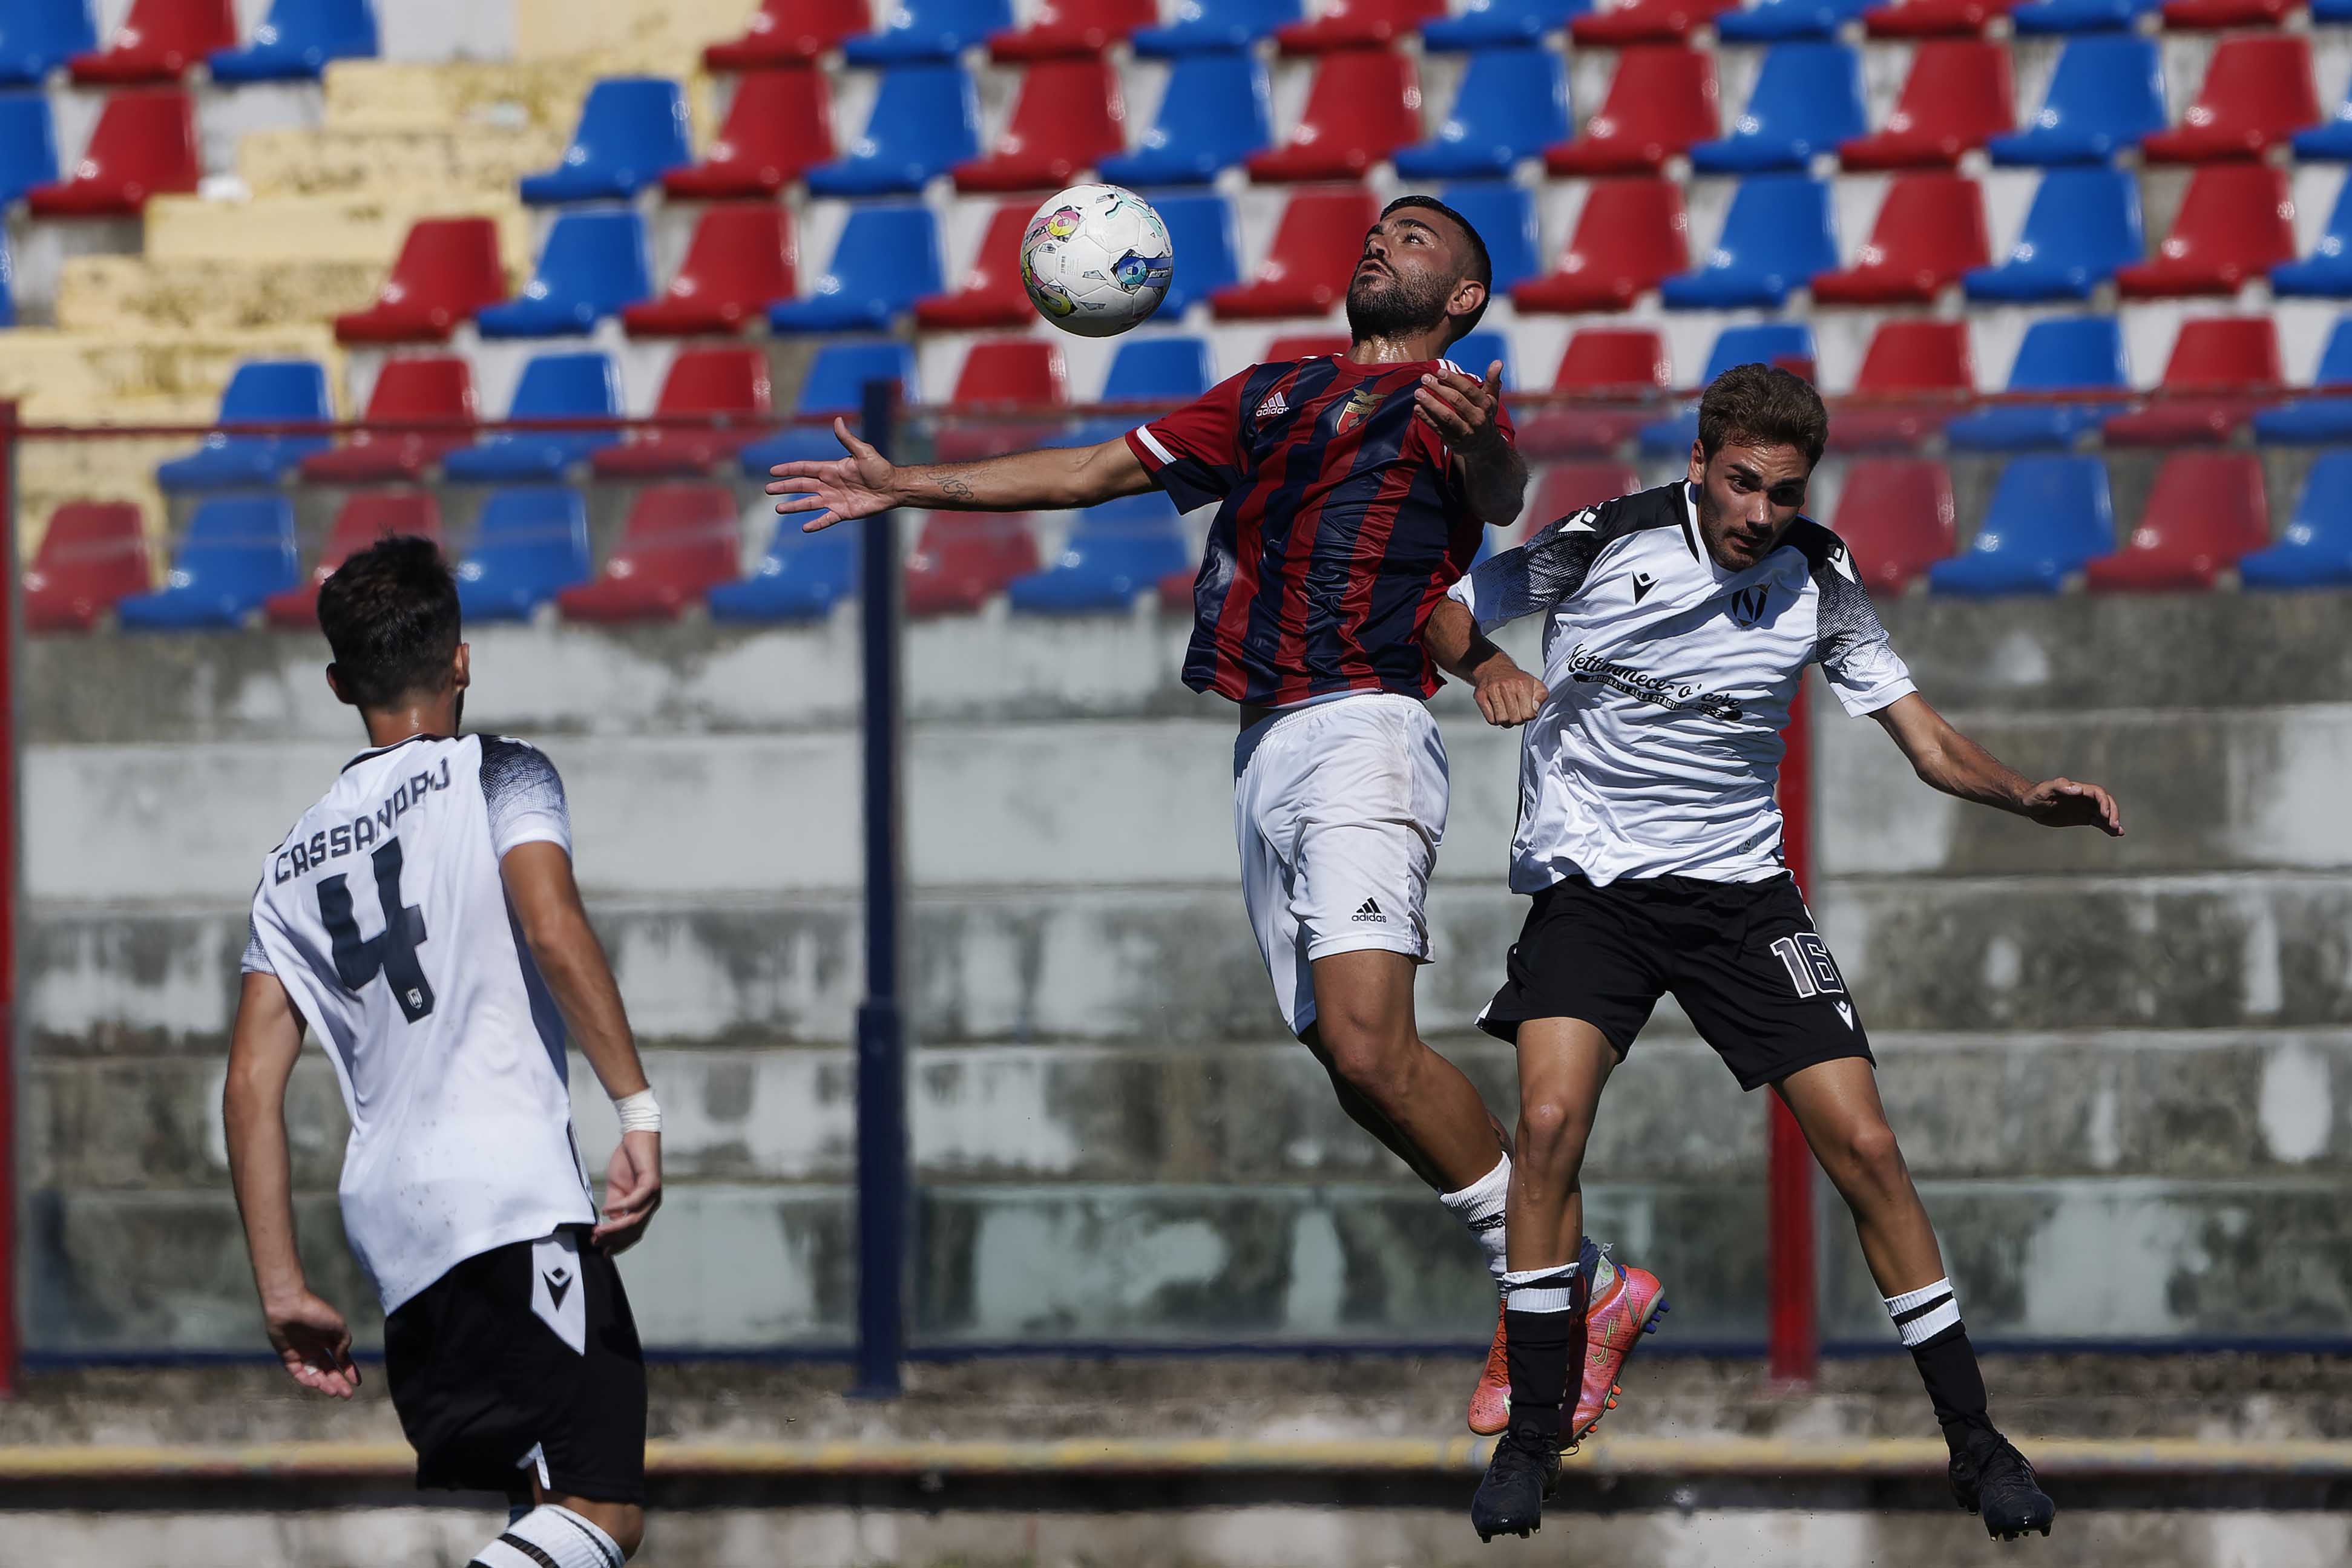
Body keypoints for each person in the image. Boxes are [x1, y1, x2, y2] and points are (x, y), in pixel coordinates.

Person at [768, 195, 1661, 1439]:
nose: (1379, 243)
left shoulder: (1452, 406)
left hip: (1364, 731)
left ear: (1460, 298)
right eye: (1376, 231)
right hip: (1261, 745)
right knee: (1351, 1068)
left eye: (1414, 240)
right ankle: (1588, 1275)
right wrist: (905, 485)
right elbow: (1088, 471)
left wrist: (1483, 467)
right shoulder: (1265, 394)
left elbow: (1497, 493)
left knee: (1365, 1041)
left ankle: (1550, 1298)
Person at [1425, 364, 2121, 1543]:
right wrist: (1486, 665)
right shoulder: (1605, 539)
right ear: (1698, 466)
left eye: (1782, 493)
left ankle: (1974, 1442)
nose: (1757, 512)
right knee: (1545, 1129)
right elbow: (1445, 606)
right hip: (1591, 892)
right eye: (1740, 483)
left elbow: (1921, 738)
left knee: (1864, 1144)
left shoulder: (1818, 578)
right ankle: (1532, 1437)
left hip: (1742, 903)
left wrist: (2023, 797)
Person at [225, 537, 663, 1568]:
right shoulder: (497, 772)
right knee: (601, 1509)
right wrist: (636, 1111)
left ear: (340, 683)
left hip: (397, 1232)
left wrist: (282, 1288)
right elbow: (551, 928)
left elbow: (250, 1085)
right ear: (460, 659)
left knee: (542, 1504)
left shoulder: (288, 866)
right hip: (506, 1199)